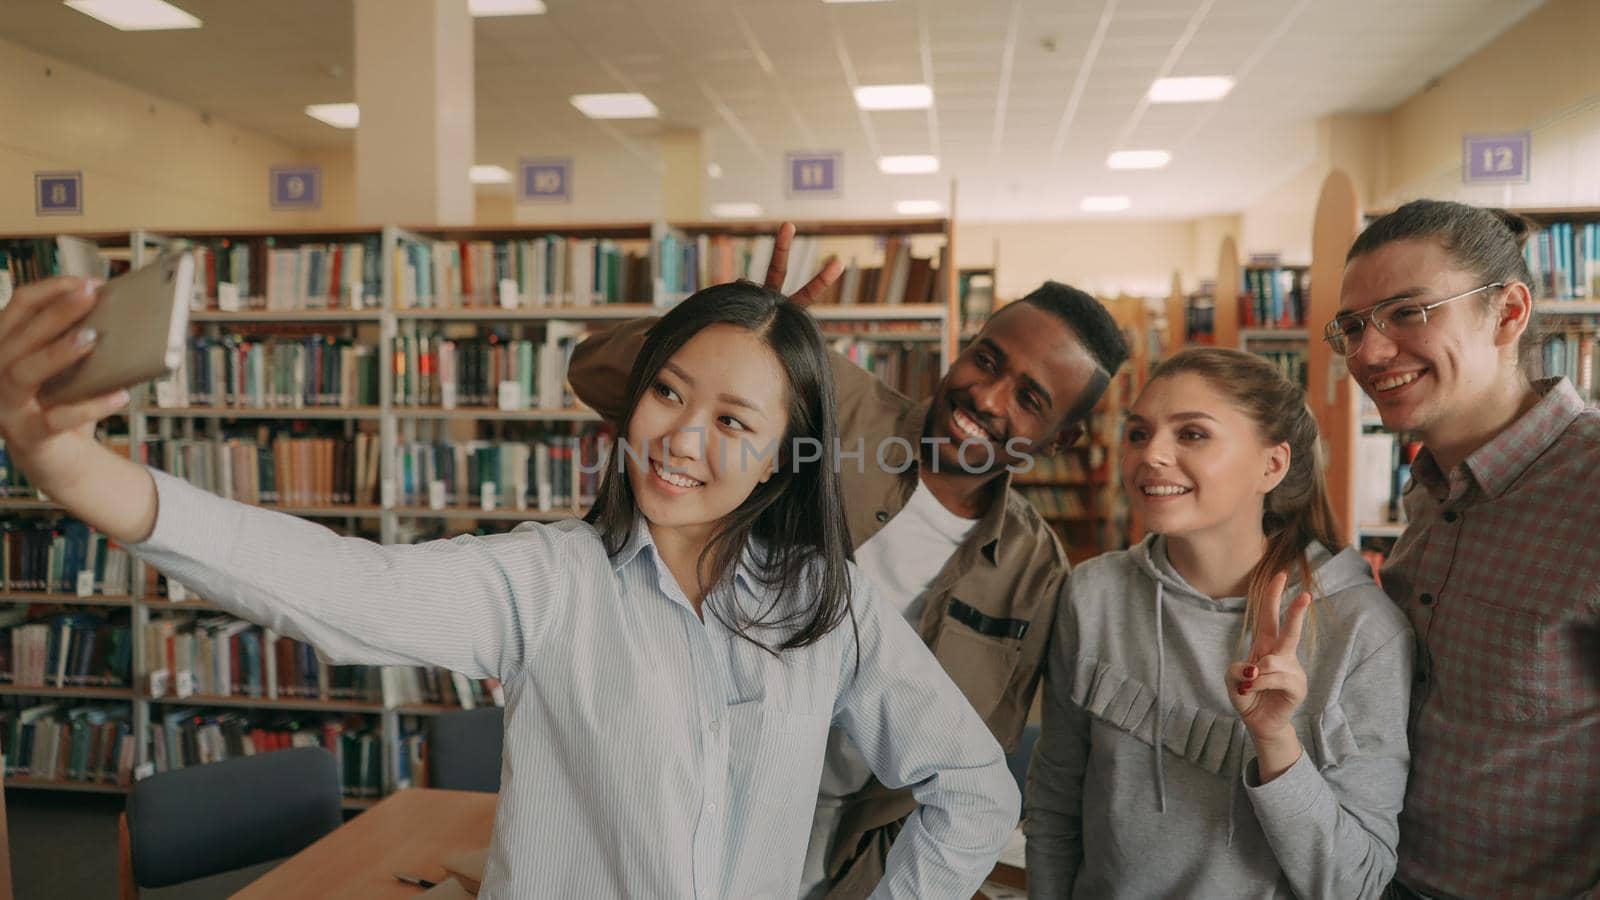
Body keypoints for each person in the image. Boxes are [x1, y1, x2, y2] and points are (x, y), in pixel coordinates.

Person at [0, 277, 1021, 899]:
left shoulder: (823, 604)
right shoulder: (548, 579)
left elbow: (972, 792)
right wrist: (75, 469)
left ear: (781, 460)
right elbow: (337, 584)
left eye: (733, 420)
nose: (679, 439)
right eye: (668, 392)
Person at [567, 225, 1131, 898]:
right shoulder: (829, 399)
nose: (987, 396)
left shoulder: (1035, 577)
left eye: (1029, 398)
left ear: (1061, 438)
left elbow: (972, 761)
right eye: (987, 360)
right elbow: (592, 371)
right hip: (672, 808)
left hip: (845, 865)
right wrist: (731, 333)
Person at [1025, 347, 1414, 898]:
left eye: (1191, 435)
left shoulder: (1361, 629)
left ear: (1271, 466)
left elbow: (1356, 885)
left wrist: (1275, 742)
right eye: (1138, 433)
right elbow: (1055, 806)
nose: (1150, 455)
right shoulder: (1093, 594)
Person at [1333, 200, 1600, 899]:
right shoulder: (1429, 489)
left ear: (1509, 313)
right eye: (1354, 327)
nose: (1369, 352)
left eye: (1408, 312)